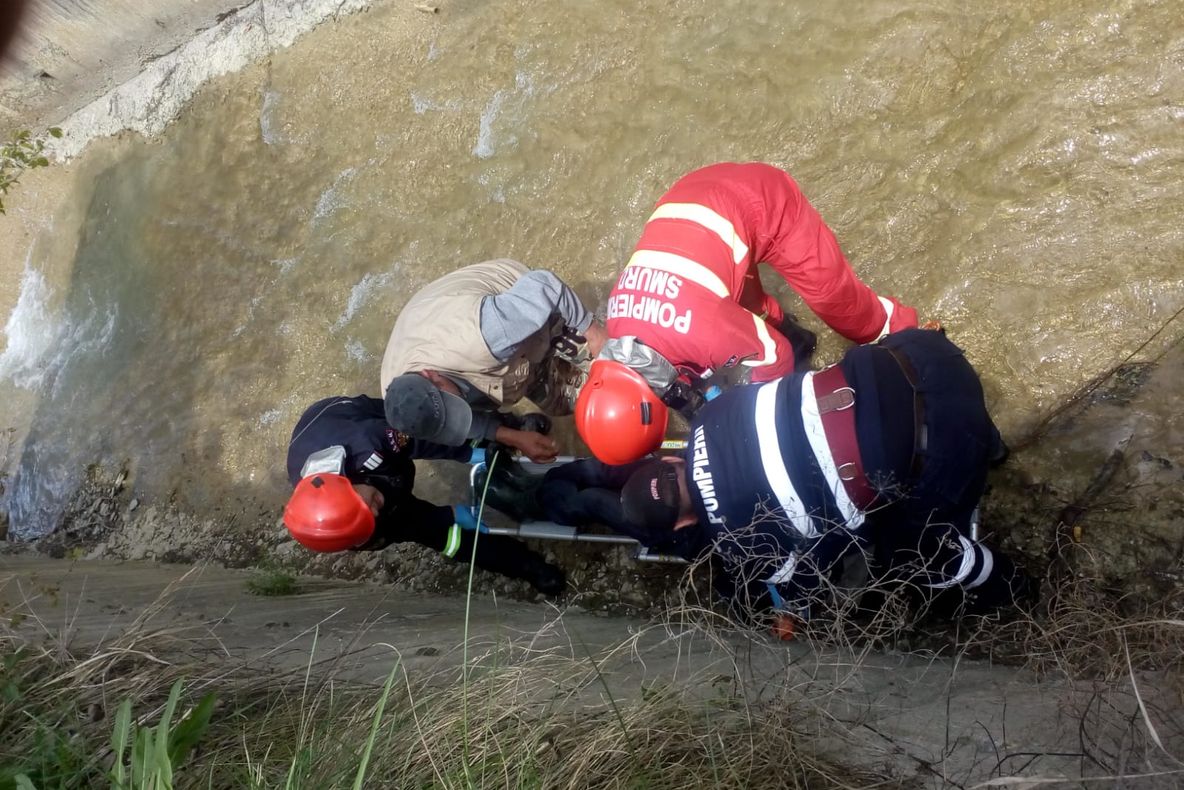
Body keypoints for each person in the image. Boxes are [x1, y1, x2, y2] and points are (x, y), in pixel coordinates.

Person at [617, 328, 1033, 621]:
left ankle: (1013, 587)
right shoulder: (711, 413)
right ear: (670, 459)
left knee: (907, 554)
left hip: (949, 448)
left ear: (686, 522)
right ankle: (993, 447)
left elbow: (808, 583)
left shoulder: (738, 546)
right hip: (933, 358)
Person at [576, 162, 919, 463]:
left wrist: (754, 410)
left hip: (760, 200)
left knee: (840, 305)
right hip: (689, 201)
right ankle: (797, 333)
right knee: (749, 312)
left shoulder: (702, 329)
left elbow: (776, 357)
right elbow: (670, 348)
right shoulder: (618, 327)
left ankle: (910, 338)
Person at [283, 395, 566, 596]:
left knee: (423, 417)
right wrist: (448, 516)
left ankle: (510, 426)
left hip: (343, 414)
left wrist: (469, 453)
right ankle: (528, 567)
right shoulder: (344, 528)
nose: (377, 508)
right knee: (447, 538)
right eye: (370, 517)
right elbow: (402, 520)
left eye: (367, 504)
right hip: (356, 468)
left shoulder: (368, 441)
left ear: (346, 483)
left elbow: (421, 439)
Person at [381, 259, 607, 463]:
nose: (454, 415)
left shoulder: (483, 335)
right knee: (568, 403)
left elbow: (545, 285)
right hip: (482, 346)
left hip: (513, 299)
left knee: (613, 372)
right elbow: (457, 423)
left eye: (451, 406)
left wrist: (593, 331)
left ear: (430, 375)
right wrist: (515, 438)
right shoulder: (407, 412)